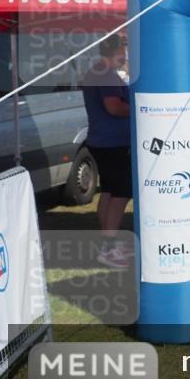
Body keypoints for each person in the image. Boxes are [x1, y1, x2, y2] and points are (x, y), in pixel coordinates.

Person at [82, 35, 133, 269]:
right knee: (121, 193)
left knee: (109, 191)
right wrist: (137, 109)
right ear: (116, 49)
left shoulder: (96, 72)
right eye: (124, 48)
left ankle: (108, 242)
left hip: (102, 141)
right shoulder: (106, 74)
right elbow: (113, 107)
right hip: (112, 143)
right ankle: (108, 249)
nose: (126, 53)